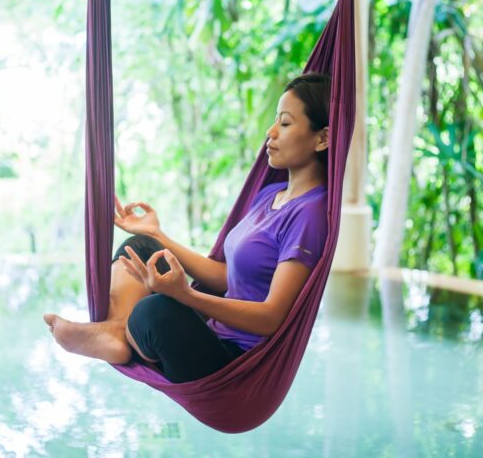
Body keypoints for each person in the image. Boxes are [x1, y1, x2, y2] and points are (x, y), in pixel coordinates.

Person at [43, 72, 330, 383]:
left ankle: (121, 332)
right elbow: (226, 277)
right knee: (137, 246)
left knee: (155, 312)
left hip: (232, 363)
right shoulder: (268, 196)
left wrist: (186, 296)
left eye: (285, 124)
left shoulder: (310, 213)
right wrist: (156, 236)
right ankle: (120, 333)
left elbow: (272, 318)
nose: (270, 132)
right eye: (275, 121)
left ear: (322, 138)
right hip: (210, 332)